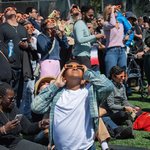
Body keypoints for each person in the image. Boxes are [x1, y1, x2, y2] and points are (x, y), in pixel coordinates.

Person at [31, 59, 114, 149]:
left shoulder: (90, 91)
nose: (74, 68)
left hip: (86, 147)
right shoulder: (56, 93)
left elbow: (108, 86)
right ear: (63, 75)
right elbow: (36, 107)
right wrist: (55, 85)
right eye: (69, 67)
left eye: (79, 67)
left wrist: (88, 73)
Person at [0, 7, 33, 107]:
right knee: (7, 94)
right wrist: (9, 58)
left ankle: (16, 116)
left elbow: (29, 44)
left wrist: (26, 45)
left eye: (12, 8)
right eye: (7, 9)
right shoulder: (2, 28)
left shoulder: (22, 28)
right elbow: (0, 45)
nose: (9, 9)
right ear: (4, 14)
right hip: (8, 67)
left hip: (22, 67)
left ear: (16, 12)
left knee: (18, 95)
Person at [0, 82, 48, 150]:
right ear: (1, 98)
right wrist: (3, 129)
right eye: (10, 99)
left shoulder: (12, 108)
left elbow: (27, 128)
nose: (13, 101)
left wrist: (40, 124)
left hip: (14, 142)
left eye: (14, 98)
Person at [103, 5, 127, 77]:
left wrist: (126, 38)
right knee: (111, 74)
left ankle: (123, 88)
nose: (114, 10)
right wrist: (112, 11)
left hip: (122, 50)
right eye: (111, 9)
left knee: (123, 74)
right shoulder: (106, 24)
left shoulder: (120, 24)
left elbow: (129, 27)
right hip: (111, 51)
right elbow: (112, 24)